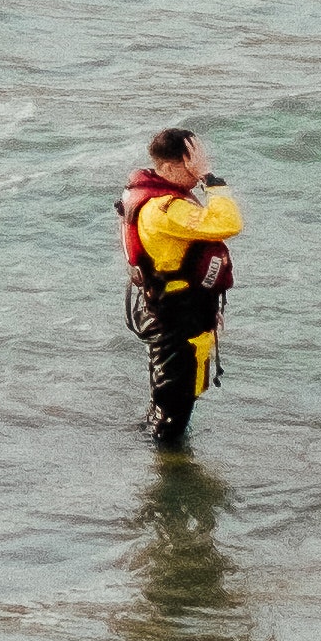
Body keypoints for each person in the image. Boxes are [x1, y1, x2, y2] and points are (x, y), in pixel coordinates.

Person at [120, 126, 241, 447]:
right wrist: (211, 179)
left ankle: (158, 449)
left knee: (178, 398)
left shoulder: (169, 198)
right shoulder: (165, 209)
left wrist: (207, 306)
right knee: (172, 412)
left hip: (183, 311)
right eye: (194, 163)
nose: (200, 169)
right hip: (173, 320)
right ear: (171, 167)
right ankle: (166, 473)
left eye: (203, 162)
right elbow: (229, 224)